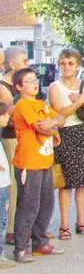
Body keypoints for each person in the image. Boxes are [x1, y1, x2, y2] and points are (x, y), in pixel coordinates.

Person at [48, 48, 84, 241]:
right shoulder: (55, 86)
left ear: (78, 66)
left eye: (71, 63)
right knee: (66, 183)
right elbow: (61, 112)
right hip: (66, 134)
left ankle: (82, 222)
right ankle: (64, 225)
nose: (66, 67)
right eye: (63, 63)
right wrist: (81, 100)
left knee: (83, 182)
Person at [11, 67, 66, 262]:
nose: (34, 84)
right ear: (18, 86)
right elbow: (41, 129)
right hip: (29, 162)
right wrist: (53, 129)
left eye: (35, 80)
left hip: (45, 161)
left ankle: (40, 242)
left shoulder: (41, 104)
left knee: (45, 204)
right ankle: (21, 247)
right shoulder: (23, 105)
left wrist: (52, 125)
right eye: (28, 81)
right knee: (29, 205)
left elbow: (60, 118)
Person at [0, 47, 28, 246]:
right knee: (12, 185)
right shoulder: (4, 86)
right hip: (10, 138)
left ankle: (19, 226)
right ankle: (10, 229)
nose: (28, 65)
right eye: (24, 61)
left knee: (21, 184)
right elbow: (11, 118)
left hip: (23, 137)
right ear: (12, 65)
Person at [0, 102, 14, 268]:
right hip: (1, 183)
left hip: (4, 182)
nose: (8, 117)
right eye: (4, 115)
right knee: (2, 221)